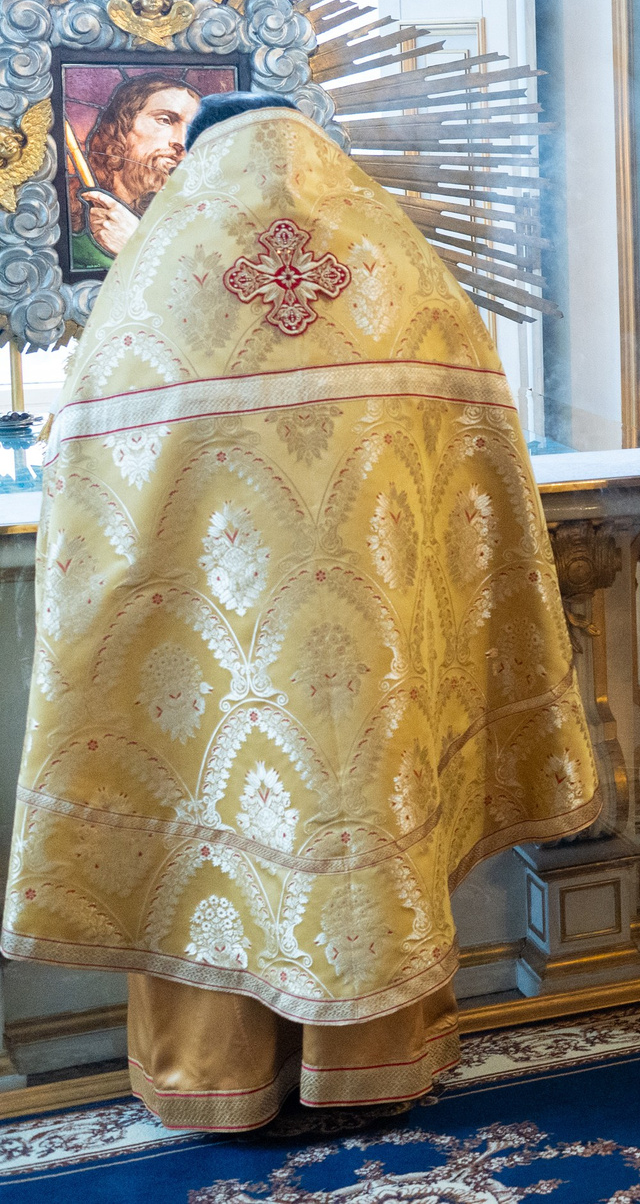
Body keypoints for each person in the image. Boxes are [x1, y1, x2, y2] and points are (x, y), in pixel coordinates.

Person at [5, 90, 597, 1132]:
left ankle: (217, 1080)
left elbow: (91, 493)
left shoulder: (160, 275)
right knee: (370, 811)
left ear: (200, 149)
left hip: (213, 659)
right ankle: (373, 1063)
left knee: (216, 821)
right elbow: (481, 482)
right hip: (370, 661)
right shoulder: (397, 267)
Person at [72, 71, 200, 264]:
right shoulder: (72, 248)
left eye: (193, 129)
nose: (182, 142)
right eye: (165, 120)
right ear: (120, 130)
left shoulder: (199, 234)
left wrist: (135, 245)